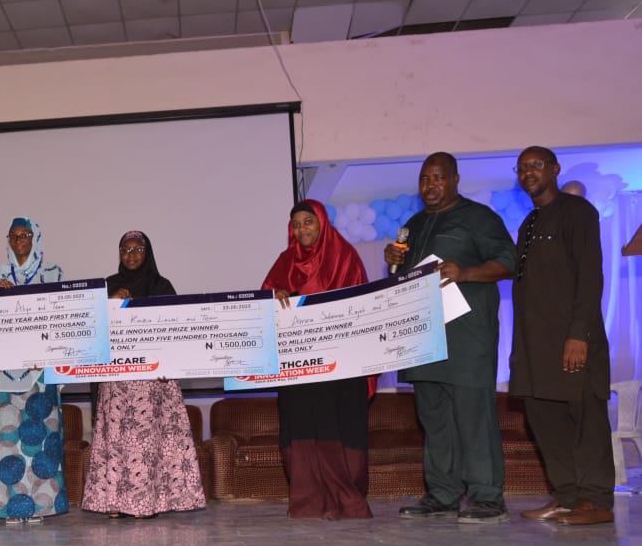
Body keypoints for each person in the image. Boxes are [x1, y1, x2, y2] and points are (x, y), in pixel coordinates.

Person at [386, 153, 516, 524]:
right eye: (425, 179)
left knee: (474, 418)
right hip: (424, 339)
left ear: (456, 179)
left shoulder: (479, 218)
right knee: (435, 419)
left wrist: (467, 271)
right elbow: (404, 281)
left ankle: (488, 497)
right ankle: (442, 494)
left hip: (467, 338)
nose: (430, 185)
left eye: (438, 178)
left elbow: (508, 262)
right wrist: (393, 260)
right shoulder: (412, 224)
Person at [511, 146, 615, 525]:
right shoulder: (530, 222)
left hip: (573, 343)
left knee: (586, 421)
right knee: (546, 421)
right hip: (536, 349)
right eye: (522, 167)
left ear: (554, 169)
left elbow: (590, 276)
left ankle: (597, 502)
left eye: (536, 165)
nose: (528, 172)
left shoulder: (577, 212)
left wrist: (579, 334)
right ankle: (569, 498)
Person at [81, 230, 206, 519]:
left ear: (147, 253)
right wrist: (110, 302)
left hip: (153, 383)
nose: (132, 255)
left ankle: (145, 504)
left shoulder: (161, 285)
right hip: (118, 383)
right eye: (126, 249)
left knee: (147, 446)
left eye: (138, 250)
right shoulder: (108, 286)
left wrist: (170, 364)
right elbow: (89, 328)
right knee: (119, 445)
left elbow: (176, 330)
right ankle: (115, 503)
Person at [262, 200, 373, 520]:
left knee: (337, 430)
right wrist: (275, 296)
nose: (302, 229)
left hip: (340, 370)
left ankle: (346, 502)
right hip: (299, 372)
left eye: (308, 222)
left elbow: (361, 307)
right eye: (296, 224)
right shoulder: (284, 262)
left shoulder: (345, 256)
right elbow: (265, 301)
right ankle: (308, 502)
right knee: (301, 431)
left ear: (322, 222)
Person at [0, 218, 68, 525]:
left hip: (40, 371)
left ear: (35, 238)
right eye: (14, 236)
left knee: (39, 441)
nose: (19, 240)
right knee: (8, 439)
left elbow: (62, 317)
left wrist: (48, 351)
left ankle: (40, 506)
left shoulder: (53, 274)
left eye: (25, 235)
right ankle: (8, 508)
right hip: (6, 373)